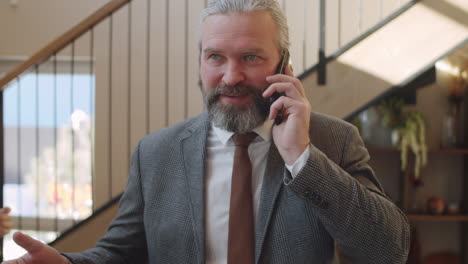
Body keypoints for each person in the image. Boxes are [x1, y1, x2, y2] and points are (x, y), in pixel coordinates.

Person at [3, 0, 410, 263]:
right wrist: (68, 263)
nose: (230, 76)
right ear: (200, 61)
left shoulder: (332, 142)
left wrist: (302, 158)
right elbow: (120, 254)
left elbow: (389, 250)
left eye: (250, 57)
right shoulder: (155, 154)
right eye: (216, 56)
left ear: (285, 65)